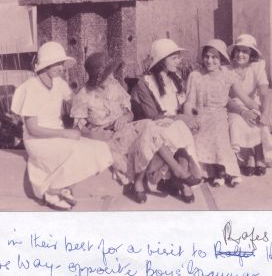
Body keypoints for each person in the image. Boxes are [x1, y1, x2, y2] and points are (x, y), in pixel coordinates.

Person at [70, 52, 194, 204]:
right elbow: (78, 127)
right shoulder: (83, 96)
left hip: (126, 128)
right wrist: (94, 135)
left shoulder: (114, 85)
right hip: (108, 137)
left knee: (149, 125)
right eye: (106, 75)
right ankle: (161, 176)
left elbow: (130, 113)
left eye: (111, 74)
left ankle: (162, 174)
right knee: (150, 134)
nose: (111, 77)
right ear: (96, 77)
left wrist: (124, 118)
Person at [10, 41, 113, 211]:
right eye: (58, 63)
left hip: (58, 137)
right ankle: (52, 190)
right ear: (46, 64)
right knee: (78, 150)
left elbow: (76, 100)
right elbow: (33, 129)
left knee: (99, 148)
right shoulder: (31, 88)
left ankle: (62, 185)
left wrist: (97, 99)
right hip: (38, 141)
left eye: (62, 63)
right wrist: (65, 133)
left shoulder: (58, 83)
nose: (62, 68)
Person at [131, 38, 202, 203]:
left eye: (178, 57)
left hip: (175, 125)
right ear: (162, 61)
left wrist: (191, 115)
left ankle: (182, 178)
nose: (179, 60)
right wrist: (180, 118)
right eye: (174, 57)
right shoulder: (145, 83)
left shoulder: (175, 79)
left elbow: (182, 104)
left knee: (182, 128)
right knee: (177, 129)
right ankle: (179, 174)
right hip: (156, 125)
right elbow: (152, 116)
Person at [183, 39, 258, 187]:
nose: (209, 61)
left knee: (219, 130)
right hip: (200, 115)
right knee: (199, 132)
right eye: (207, 56)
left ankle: (223, 170)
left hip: (219, 115)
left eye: (214, 57)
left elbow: (243, 98)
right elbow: (189, 103)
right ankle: (214, 171)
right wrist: (189, 119)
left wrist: (262, 112)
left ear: (221, 59)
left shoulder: (228, 75)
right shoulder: (195, 75)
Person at [227, 34, 272, 176]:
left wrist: (267, 114)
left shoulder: (257, 67)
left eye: (245, 51)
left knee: (259, 120)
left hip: (254, 103)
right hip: (234, 107)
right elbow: (228, 98)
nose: (240, 54)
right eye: (238, 50)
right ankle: (249, 155)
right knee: (237, 122)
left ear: (252, 54)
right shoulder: (227, 70)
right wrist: (244, 111)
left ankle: (259, 155)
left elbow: (264, 93)